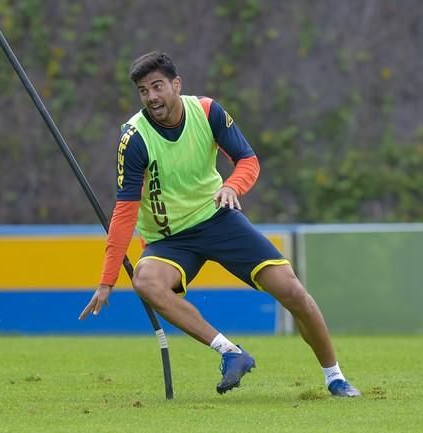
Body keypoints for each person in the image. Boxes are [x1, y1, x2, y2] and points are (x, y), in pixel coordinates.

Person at [78, 51, 360, 397]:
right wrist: (107, 281)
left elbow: (248, 161)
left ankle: (335, 377)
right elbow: (125, 211)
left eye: (157, 86)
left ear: (176, 85)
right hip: (169, 240)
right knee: (147, 282)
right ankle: (230, 352)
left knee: (292, 292)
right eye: (143, 90)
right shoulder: (133, 138)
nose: (151, 96)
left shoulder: (208, 111)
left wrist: (231, 186)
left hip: (218, 216)